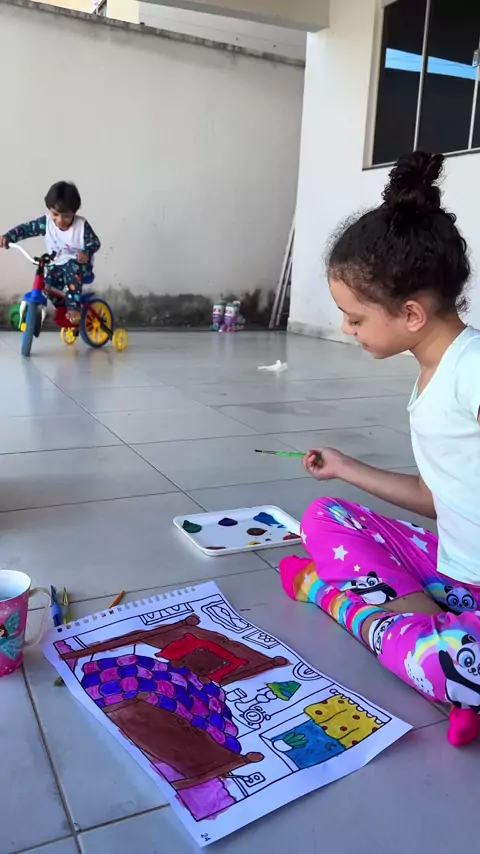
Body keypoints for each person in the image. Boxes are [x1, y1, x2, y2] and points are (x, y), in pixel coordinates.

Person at [279, 151, 480, 747]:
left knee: (451, 660)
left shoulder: (472, 369)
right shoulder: (433, 374)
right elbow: (437, 498)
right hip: (455, 569)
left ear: (410, 313)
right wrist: (345, 468)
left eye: (355, 318)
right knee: (325, 517)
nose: (347, 329)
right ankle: (448, 652)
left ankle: (337, 600)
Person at [0, 181, 100, 324]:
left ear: (74, 212)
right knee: (47, 286)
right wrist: (9, 237)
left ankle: (74, 308)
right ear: (49, 209)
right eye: (55, 214)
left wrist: (87, 252)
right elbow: (26, 229)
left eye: (66, 216)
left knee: (71, 268)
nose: (60, 220)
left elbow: (95, 242)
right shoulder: (46, 223)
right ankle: (62, 309)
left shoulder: (81, 226)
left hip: (80, 265)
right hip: (57, 264)